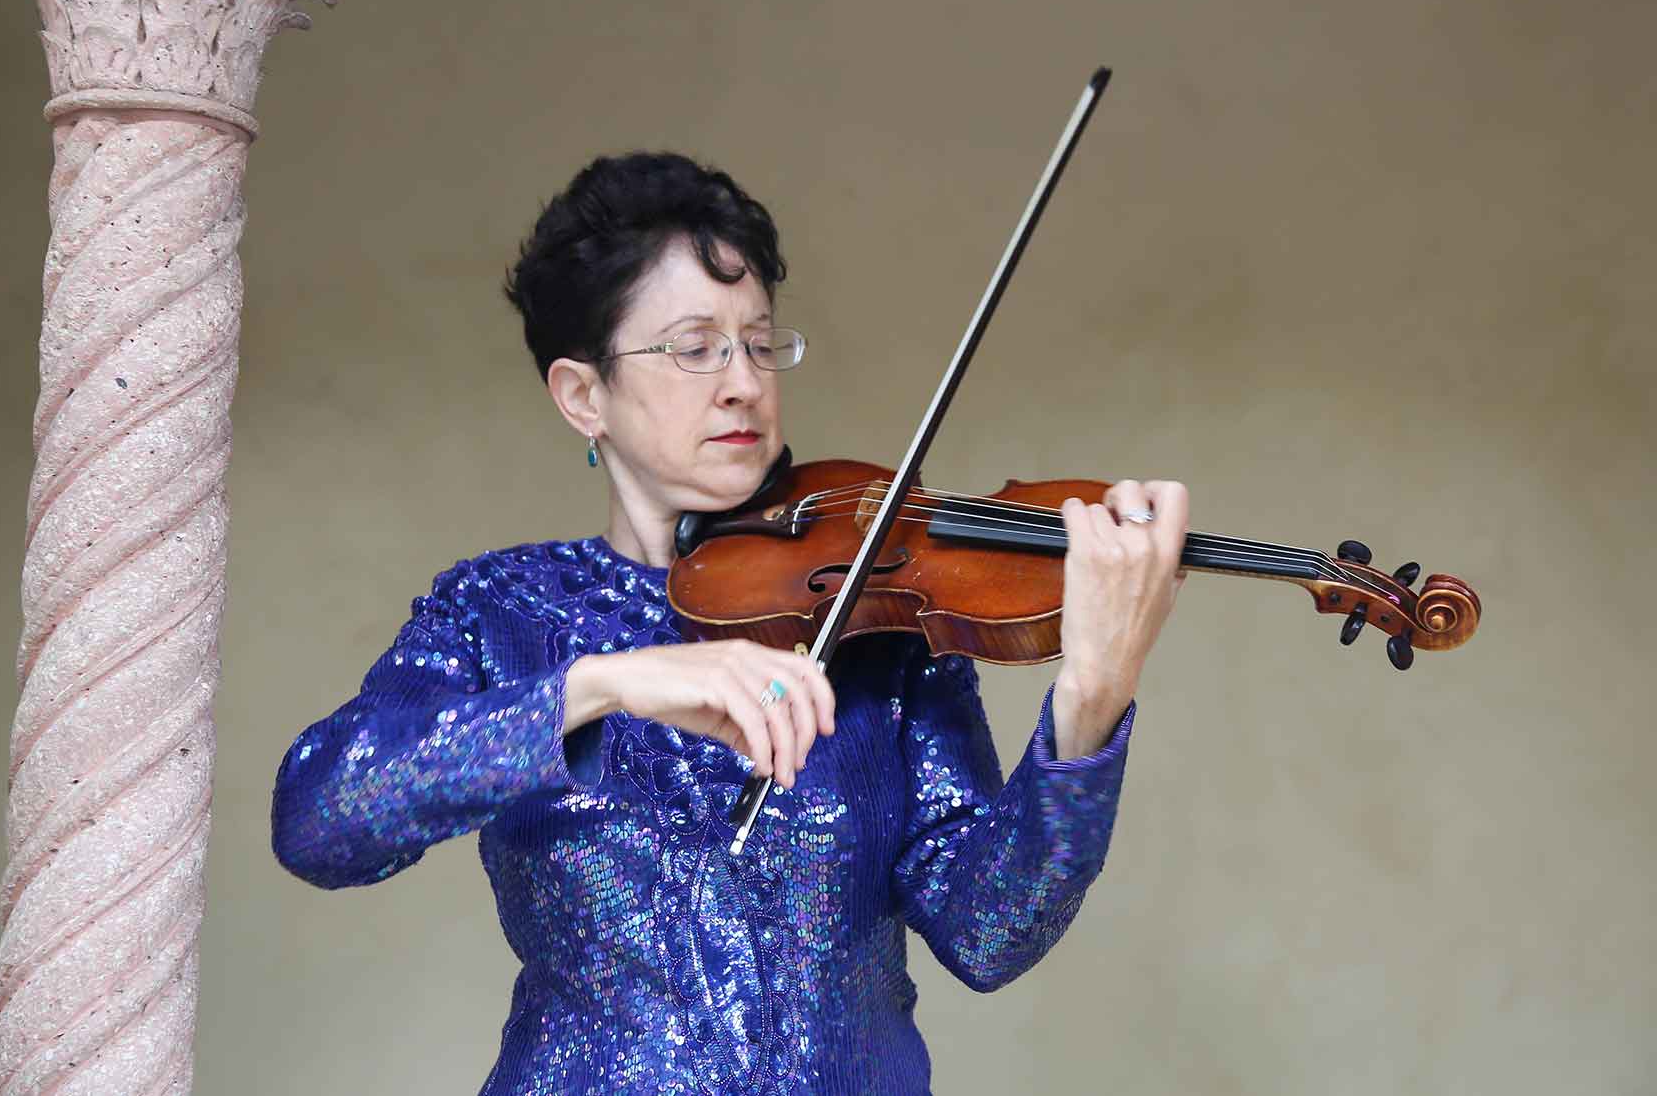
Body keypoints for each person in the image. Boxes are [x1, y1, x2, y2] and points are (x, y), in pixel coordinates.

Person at [270, 152, 1190, 1096]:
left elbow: (990, 932)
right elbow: (320, 821)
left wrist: (1091, 698)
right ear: (584, 395)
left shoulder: (877, 623)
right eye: (694, 347)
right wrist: (602, 685)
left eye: (758, 343)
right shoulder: (499, 612)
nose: (742, 382)